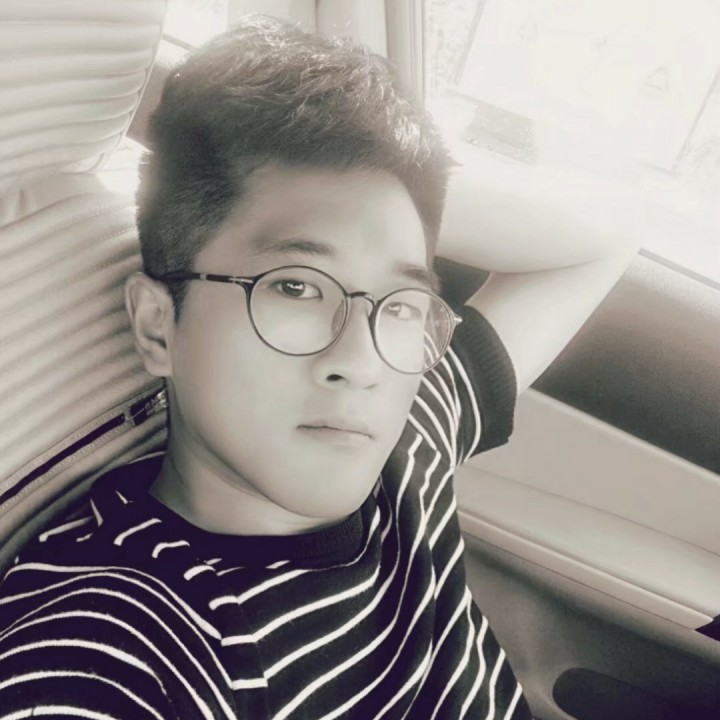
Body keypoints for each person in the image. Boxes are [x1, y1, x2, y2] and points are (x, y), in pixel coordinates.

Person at [0, 15, 640, 719]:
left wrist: (391, 189)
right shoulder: (116, 650)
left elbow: (605, 241)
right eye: (296, 288)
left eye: (401, 302)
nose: (361, 363)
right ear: (159, 325)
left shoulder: (405, 450)